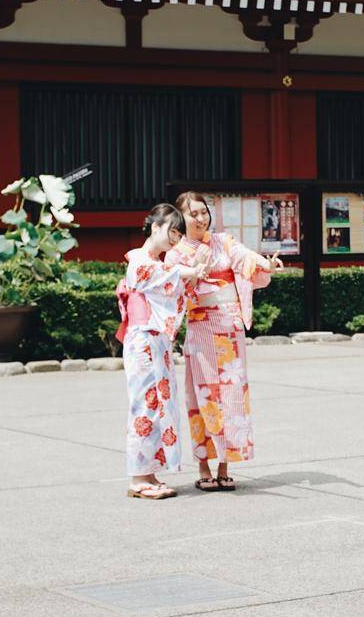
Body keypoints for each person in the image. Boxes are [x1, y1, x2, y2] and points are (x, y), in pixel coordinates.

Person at [165, 192, 283, 492]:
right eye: (193, 214)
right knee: (202, 395)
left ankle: (224, 465)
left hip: (229, 327)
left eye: (203, 212)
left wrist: (266, 265)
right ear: (181, 217)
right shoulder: (176, 252)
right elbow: (173, 287)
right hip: (201, 326)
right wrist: (195, 272)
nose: (201, 218)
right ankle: (204, 465)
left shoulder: (224, 241)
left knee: (231, 394)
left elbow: (245, 258)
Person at [117, 204, 208, 500]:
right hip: (143, 339)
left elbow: (176, 282)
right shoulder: (140, 260)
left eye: (179, 233)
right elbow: (164, 275)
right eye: (172, 230)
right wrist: (189, 271)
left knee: (158, 405)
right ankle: (138, 477)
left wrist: (192, 275)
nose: (175, 237)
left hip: (156, 340)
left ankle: (149, 472)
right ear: (154, 227)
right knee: (145, 404)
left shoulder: (159, 262)